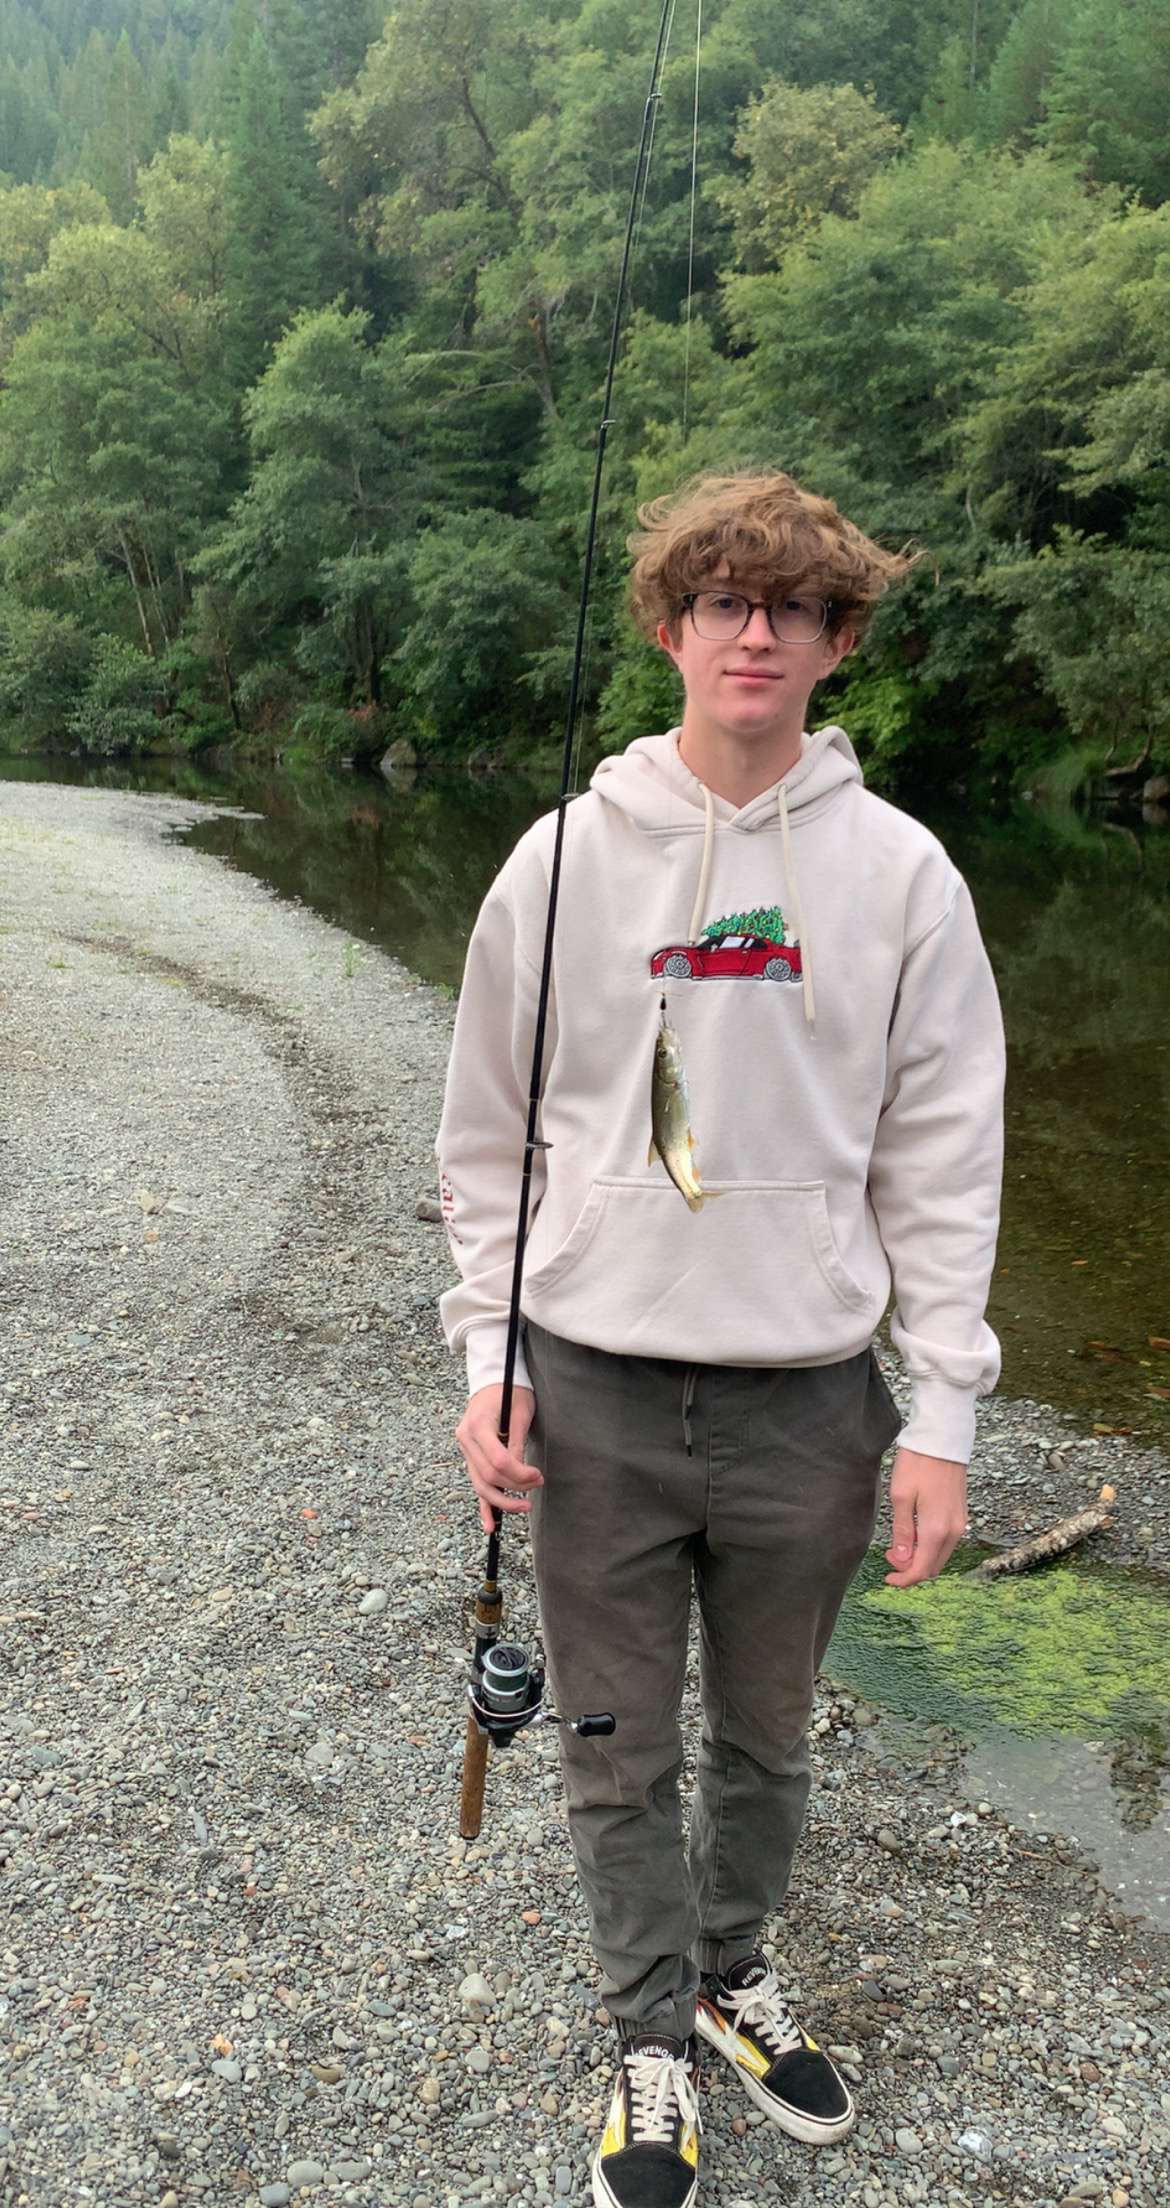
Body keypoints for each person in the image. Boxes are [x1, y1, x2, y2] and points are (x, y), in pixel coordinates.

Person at [436, 471, 1005, 2208]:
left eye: (792, 606)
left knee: (765, 1737)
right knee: (614, 1738)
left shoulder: (901, 874)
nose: (753, 630)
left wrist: (943, 1416)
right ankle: (644, 2038)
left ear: (836, 643)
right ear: (669, 628)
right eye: (720, 599)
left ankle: (731, 1968)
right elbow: (484, 1139)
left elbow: (945, 1154)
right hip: (591, 1392)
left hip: (810, 1408)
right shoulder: (560, 856)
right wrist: (488, 1356)